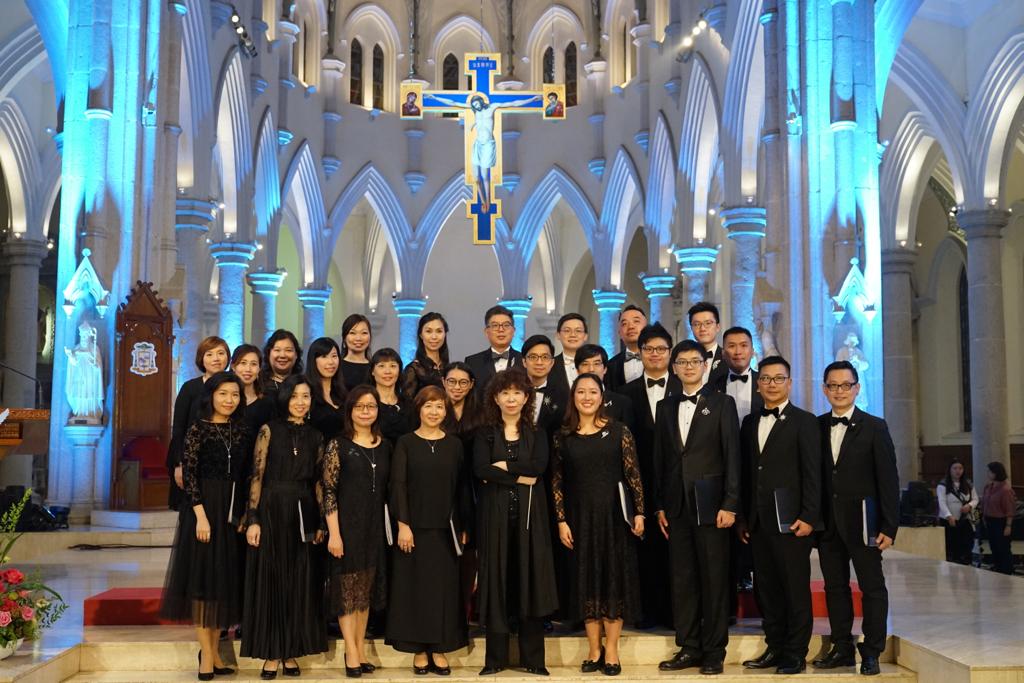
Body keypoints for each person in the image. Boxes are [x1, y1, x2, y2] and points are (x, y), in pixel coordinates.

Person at [654, 340, 740, 676]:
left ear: (705, 365)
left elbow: (732, 456)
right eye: (682, 362)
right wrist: (660, 505)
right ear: (674, 367)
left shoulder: (722, 403)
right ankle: (688, 646)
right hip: (676, 505)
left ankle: (714, 651)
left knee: (714, 578)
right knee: (683, 579)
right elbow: (660, 459)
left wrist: (730, 503)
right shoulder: (665, 406)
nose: (688, 367)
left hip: (712, 504)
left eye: (694, 361)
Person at [552, 374, 644, 676]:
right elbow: (557, 481)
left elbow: (633, 475)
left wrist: (640, 513)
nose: (587, 397)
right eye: (581, 392)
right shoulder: (563, 436)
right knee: (587, 581)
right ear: (573, 397)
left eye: (593, 391)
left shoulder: (619, 431)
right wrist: (561, 520)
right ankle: (594, 649)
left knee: (613, 580)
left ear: (602, 397)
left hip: (614, 517)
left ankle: (612, 650)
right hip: (579, 519)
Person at [812, 360, 899, 677]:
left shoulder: (875, 426)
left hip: (864, 523)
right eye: (833, 385)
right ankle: (841, 647)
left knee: (872, 587)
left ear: (857, 388)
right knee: (835, 587)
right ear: (824, 390)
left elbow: (888, 478)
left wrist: (889, 525)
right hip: (828, 524)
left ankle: (872, 650)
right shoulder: (816, 426)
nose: (839, 391)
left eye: (845, 385)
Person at [160, 372, 247, 681]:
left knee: (223, 583)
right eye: (223, 394)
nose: (229, 400)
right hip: (202, 512)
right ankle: (207, 656)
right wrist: (201, 515)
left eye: (235, 394)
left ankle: (216, 653)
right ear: (211, 396)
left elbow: (245, 475)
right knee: (202, 583)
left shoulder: (241, 430)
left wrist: (243, 514)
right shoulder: (197, 429)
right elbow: (190, 477)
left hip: (230, 511)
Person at [738, 356, 821, 675]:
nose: (771, 384)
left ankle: (795, 652)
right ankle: (774, 646)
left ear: (789, 383)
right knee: (767, 589)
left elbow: (813, 473)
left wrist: (809, 516)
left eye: (778, 378)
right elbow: (747, 473)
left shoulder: (805, 421)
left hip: (792, 520)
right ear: (758, 384)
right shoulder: (749, 422)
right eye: (766, 379)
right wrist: (744, 518)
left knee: (794, 589)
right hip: (758, 521)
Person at [241, 376, 328, 678]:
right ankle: (271, 652)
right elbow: (257, 475)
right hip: (272, 507)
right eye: (295, 396)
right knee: (272, 579)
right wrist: (253, 518)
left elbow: (319, 482)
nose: (300, 402)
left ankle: (291, 650)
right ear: (285, 398)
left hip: (304, 509)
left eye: (306, 396)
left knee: (299, 581)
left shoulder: (317, 435)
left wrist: (321, 521)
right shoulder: (269, 430)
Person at [474, 370, 558, 676]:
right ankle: (494, 660)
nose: (511, 398)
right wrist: (520, 476)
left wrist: (503, 467)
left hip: (530, 519)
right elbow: (481, 469)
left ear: (526, 398)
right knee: (497, 581)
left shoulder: (537, 433)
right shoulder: (484, 433)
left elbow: (538, 467)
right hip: (494, 518)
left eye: (517, 393)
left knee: (529, 580)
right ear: (495, 398)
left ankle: (533, 660)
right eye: (505, 393)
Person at [386, 386, 469, 672]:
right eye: (428, 406)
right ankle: (419, 649)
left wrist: (463, 525)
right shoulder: (406, 443)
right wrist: (403, 524)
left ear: (446, 411)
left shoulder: (455, 445)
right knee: (414, 590)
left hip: (446, 531)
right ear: (419, 409)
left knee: (443, 591)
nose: (434, 412)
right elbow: (397, 485)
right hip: (413, 530)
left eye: (439, 407)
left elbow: (462, 488)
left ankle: (439, 647)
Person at [323, 386, 392, 678]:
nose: (366, 412)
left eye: (371, 406)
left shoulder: (385, 445)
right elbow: (328, 491)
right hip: (346, 527)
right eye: (359, 406)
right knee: (347, 592)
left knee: (364, 592)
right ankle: (350, 651)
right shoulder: (338, 445)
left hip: (374, 526)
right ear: (349, 410)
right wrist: (334, 534)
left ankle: (361, 649)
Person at [617, 323, 679, 629]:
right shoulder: (625, 395)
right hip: (638, 481)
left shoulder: (684, 388)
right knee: (643, 549)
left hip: (676, 482)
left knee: (675, 549)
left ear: (670, 352)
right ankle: (646, 612)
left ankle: (675, 613)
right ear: (639, 352)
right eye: (649, 349)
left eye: (661, 349)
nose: (655, 354)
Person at [428, 93, 542, 213]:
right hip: (478, 144)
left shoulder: (492, 107)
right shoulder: (475, 111)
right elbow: (454, 103)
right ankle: (483, 201)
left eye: (477, 104)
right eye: (474, 105)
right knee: (476, 177)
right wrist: (434, 97)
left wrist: (532, 99)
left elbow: (512, 103)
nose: (476, 106)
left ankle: (487, 201)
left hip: (488, 145)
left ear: (481, 101)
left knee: (484, 176)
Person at [167, 336, 231, 511]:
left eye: (221, 353)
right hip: (192, 460)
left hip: (222, 463)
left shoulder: (233, 387)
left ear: (228, 357)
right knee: (192, 514)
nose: (216, 359)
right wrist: (179, 464)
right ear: (201, 359)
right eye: (209, 354)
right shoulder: (190, 388)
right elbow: (179, 429)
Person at [574, 344, 635, 434]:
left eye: (596, 364)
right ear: (577, 370)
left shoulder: (622, 403)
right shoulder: (570, 401)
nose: (591, 369)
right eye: (585, 364)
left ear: (605, 369)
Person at [711, 326, 763, 423]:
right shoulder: (713, 386)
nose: (738, 352)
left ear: (752, 351)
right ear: (723, 354)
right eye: (732, 346)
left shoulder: (764, 383)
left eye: (744, 345)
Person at [465, 305, 523, 390]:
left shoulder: (524, 361)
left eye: (506, 325)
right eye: (495, 325)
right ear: (486, 332)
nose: (501, 330)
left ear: (513, 331)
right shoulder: (472, 362)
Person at [937, 459, 978, 565]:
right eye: (955, 468)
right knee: (951, 545)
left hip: (965, 519)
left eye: (960, 468)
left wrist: (969, 505)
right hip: (949, 520)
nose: (958, 471)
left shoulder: (968, 484)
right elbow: (942, 502)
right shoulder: (943, 485)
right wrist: (948, 516)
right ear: (950, 470)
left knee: (966, 544)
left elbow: (975, 499)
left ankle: (965, 564)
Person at [401, 312, 449, 400]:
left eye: (439, 331)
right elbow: (407, 404)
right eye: (428, 331)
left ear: (445, 334)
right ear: (421, 335)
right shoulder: (413, 369)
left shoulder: (448, 368)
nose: (434, 337)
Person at [307, 337, 347, 441]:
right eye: (324, 356)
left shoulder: (344, 393)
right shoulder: (306, 393)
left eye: (334, 356)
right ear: (313, 360)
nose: (331, 362)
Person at [980, 461, 1016, 575]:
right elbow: (984, 503)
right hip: (989, 520)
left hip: (1001, 522)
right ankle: (998, 569)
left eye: (990, 471)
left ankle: (1006, 571)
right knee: (994, 546)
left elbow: (1010, 509)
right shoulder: (988, 487)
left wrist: (1008, 526)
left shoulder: (1005, 490)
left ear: (996, 473)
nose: (988, 473)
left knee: (1003, 548)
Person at [372, 348, 413, 443]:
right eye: (381, 366)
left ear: (399, 371)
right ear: (372, 371)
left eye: (393, 366)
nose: (388, 371)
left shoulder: (408, 403)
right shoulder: (366, 403)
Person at [605, 305, 647, 392]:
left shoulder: (661, 360)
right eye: (624, 324)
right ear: (619, 333)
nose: (631, 326)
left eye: (636, 321)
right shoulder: (610, 365)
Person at [549, 313, 588, 400]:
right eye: (567, 331)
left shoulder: (596, 365)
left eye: (578, 331)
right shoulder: (549, 365)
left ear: (585, 336)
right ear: (558, 335)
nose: (573, 335)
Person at [688, 302, 727, 387]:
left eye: (708, 323)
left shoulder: (728, 359)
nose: (702, 328)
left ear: (717, 327)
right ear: (691, 328)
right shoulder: (683, 360)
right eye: (697, 324)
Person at [341, 314, 373, 389]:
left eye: (364, 333)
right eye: (352, 333)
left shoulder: (375, 368)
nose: (358, 338)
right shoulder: (336, 367)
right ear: (344, 338)